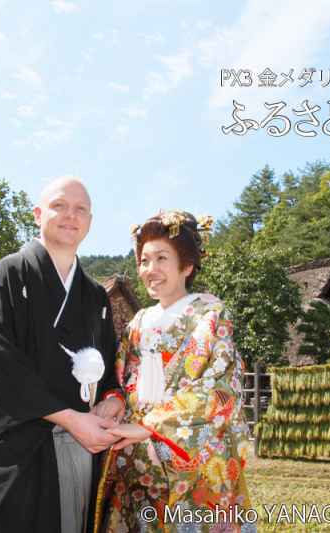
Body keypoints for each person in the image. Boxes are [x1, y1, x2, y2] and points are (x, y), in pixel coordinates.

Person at [0, 176, 127, 532]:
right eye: (59, 206)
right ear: (37, 214)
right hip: (28, 450)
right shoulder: (10, 274)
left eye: (81, 209)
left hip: (84, 446)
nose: (70, 216)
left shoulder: (95, 296)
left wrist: (113, 398)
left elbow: (110, 366)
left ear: (90, 222)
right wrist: (69, 418)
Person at [94, 210, 255, 533]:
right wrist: (115, 400)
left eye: (161, 259)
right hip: (136, 461)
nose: (149, 270)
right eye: (143, 260)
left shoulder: (209, 315)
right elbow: (123, 383)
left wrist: (151, 426)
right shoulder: (138, 323)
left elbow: (219, 388)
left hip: (193, 460)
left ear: (188, 265)